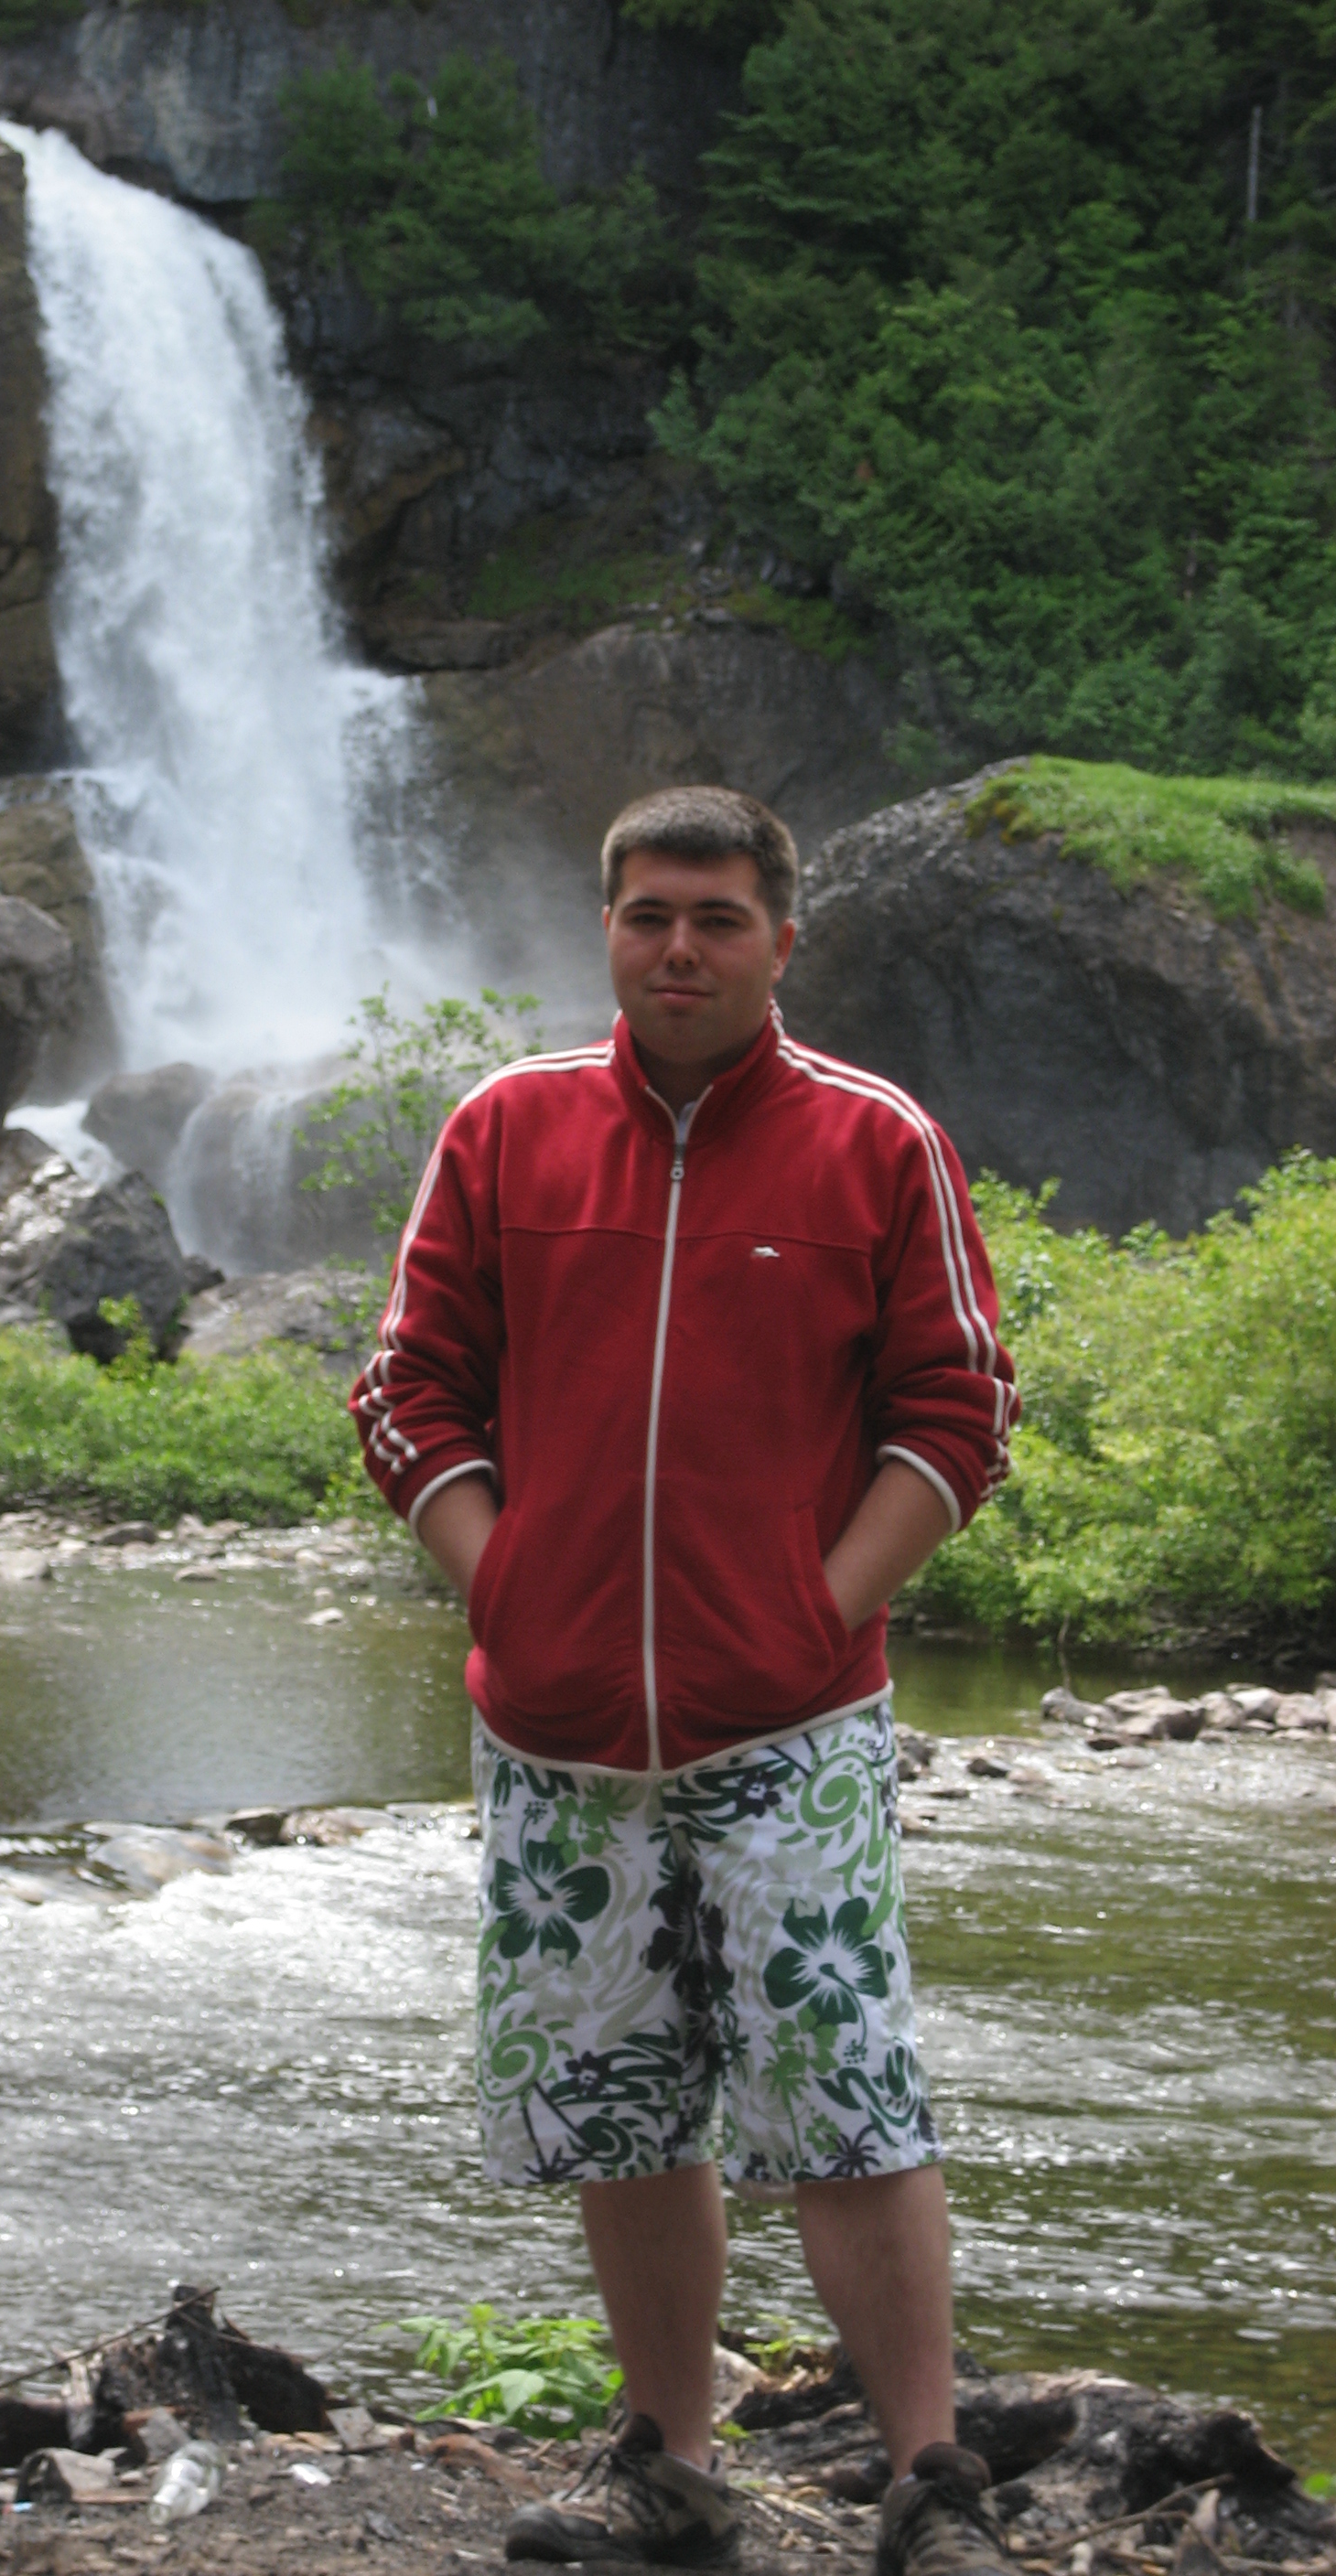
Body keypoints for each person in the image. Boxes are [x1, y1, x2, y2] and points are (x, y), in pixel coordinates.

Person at [349, 785, 1020, 2576]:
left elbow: (959, 1406)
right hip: (558, 1733)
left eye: (718, 918)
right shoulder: (507, 1129)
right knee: (622, 2100)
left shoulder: (876, 1142)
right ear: (608, 930)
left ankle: (932, 2481)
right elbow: (407, 1387)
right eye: (648, 914)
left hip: (793, 1728)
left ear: (782, 940)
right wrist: (512, 1590)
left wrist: (820, 1608)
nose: (679, 948)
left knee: (849, 2103)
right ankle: (671, 2468)